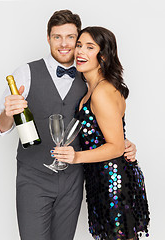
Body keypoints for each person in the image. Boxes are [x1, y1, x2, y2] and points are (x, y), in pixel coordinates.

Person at [0, 10, 137, 240]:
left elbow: (104, 122)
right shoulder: (25, 73)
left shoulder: (88, 77)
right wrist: (8, 114)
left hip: (74, 181)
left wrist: (122, 143)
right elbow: (0, 127)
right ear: (48, 38)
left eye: (71, 37)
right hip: (33, 180)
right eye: (57, 36)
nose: (64, 44)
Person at [52, 26, 150, 239]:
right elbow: (109, 135)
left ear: (103, 56)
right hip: (100, 179)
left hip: (113, 181)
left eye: (89, 47)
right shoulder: (92, 90)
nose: (80, 52)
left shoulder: (102, 91)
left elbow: (114, 146)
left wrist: (76, 157)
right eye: (79, 45)